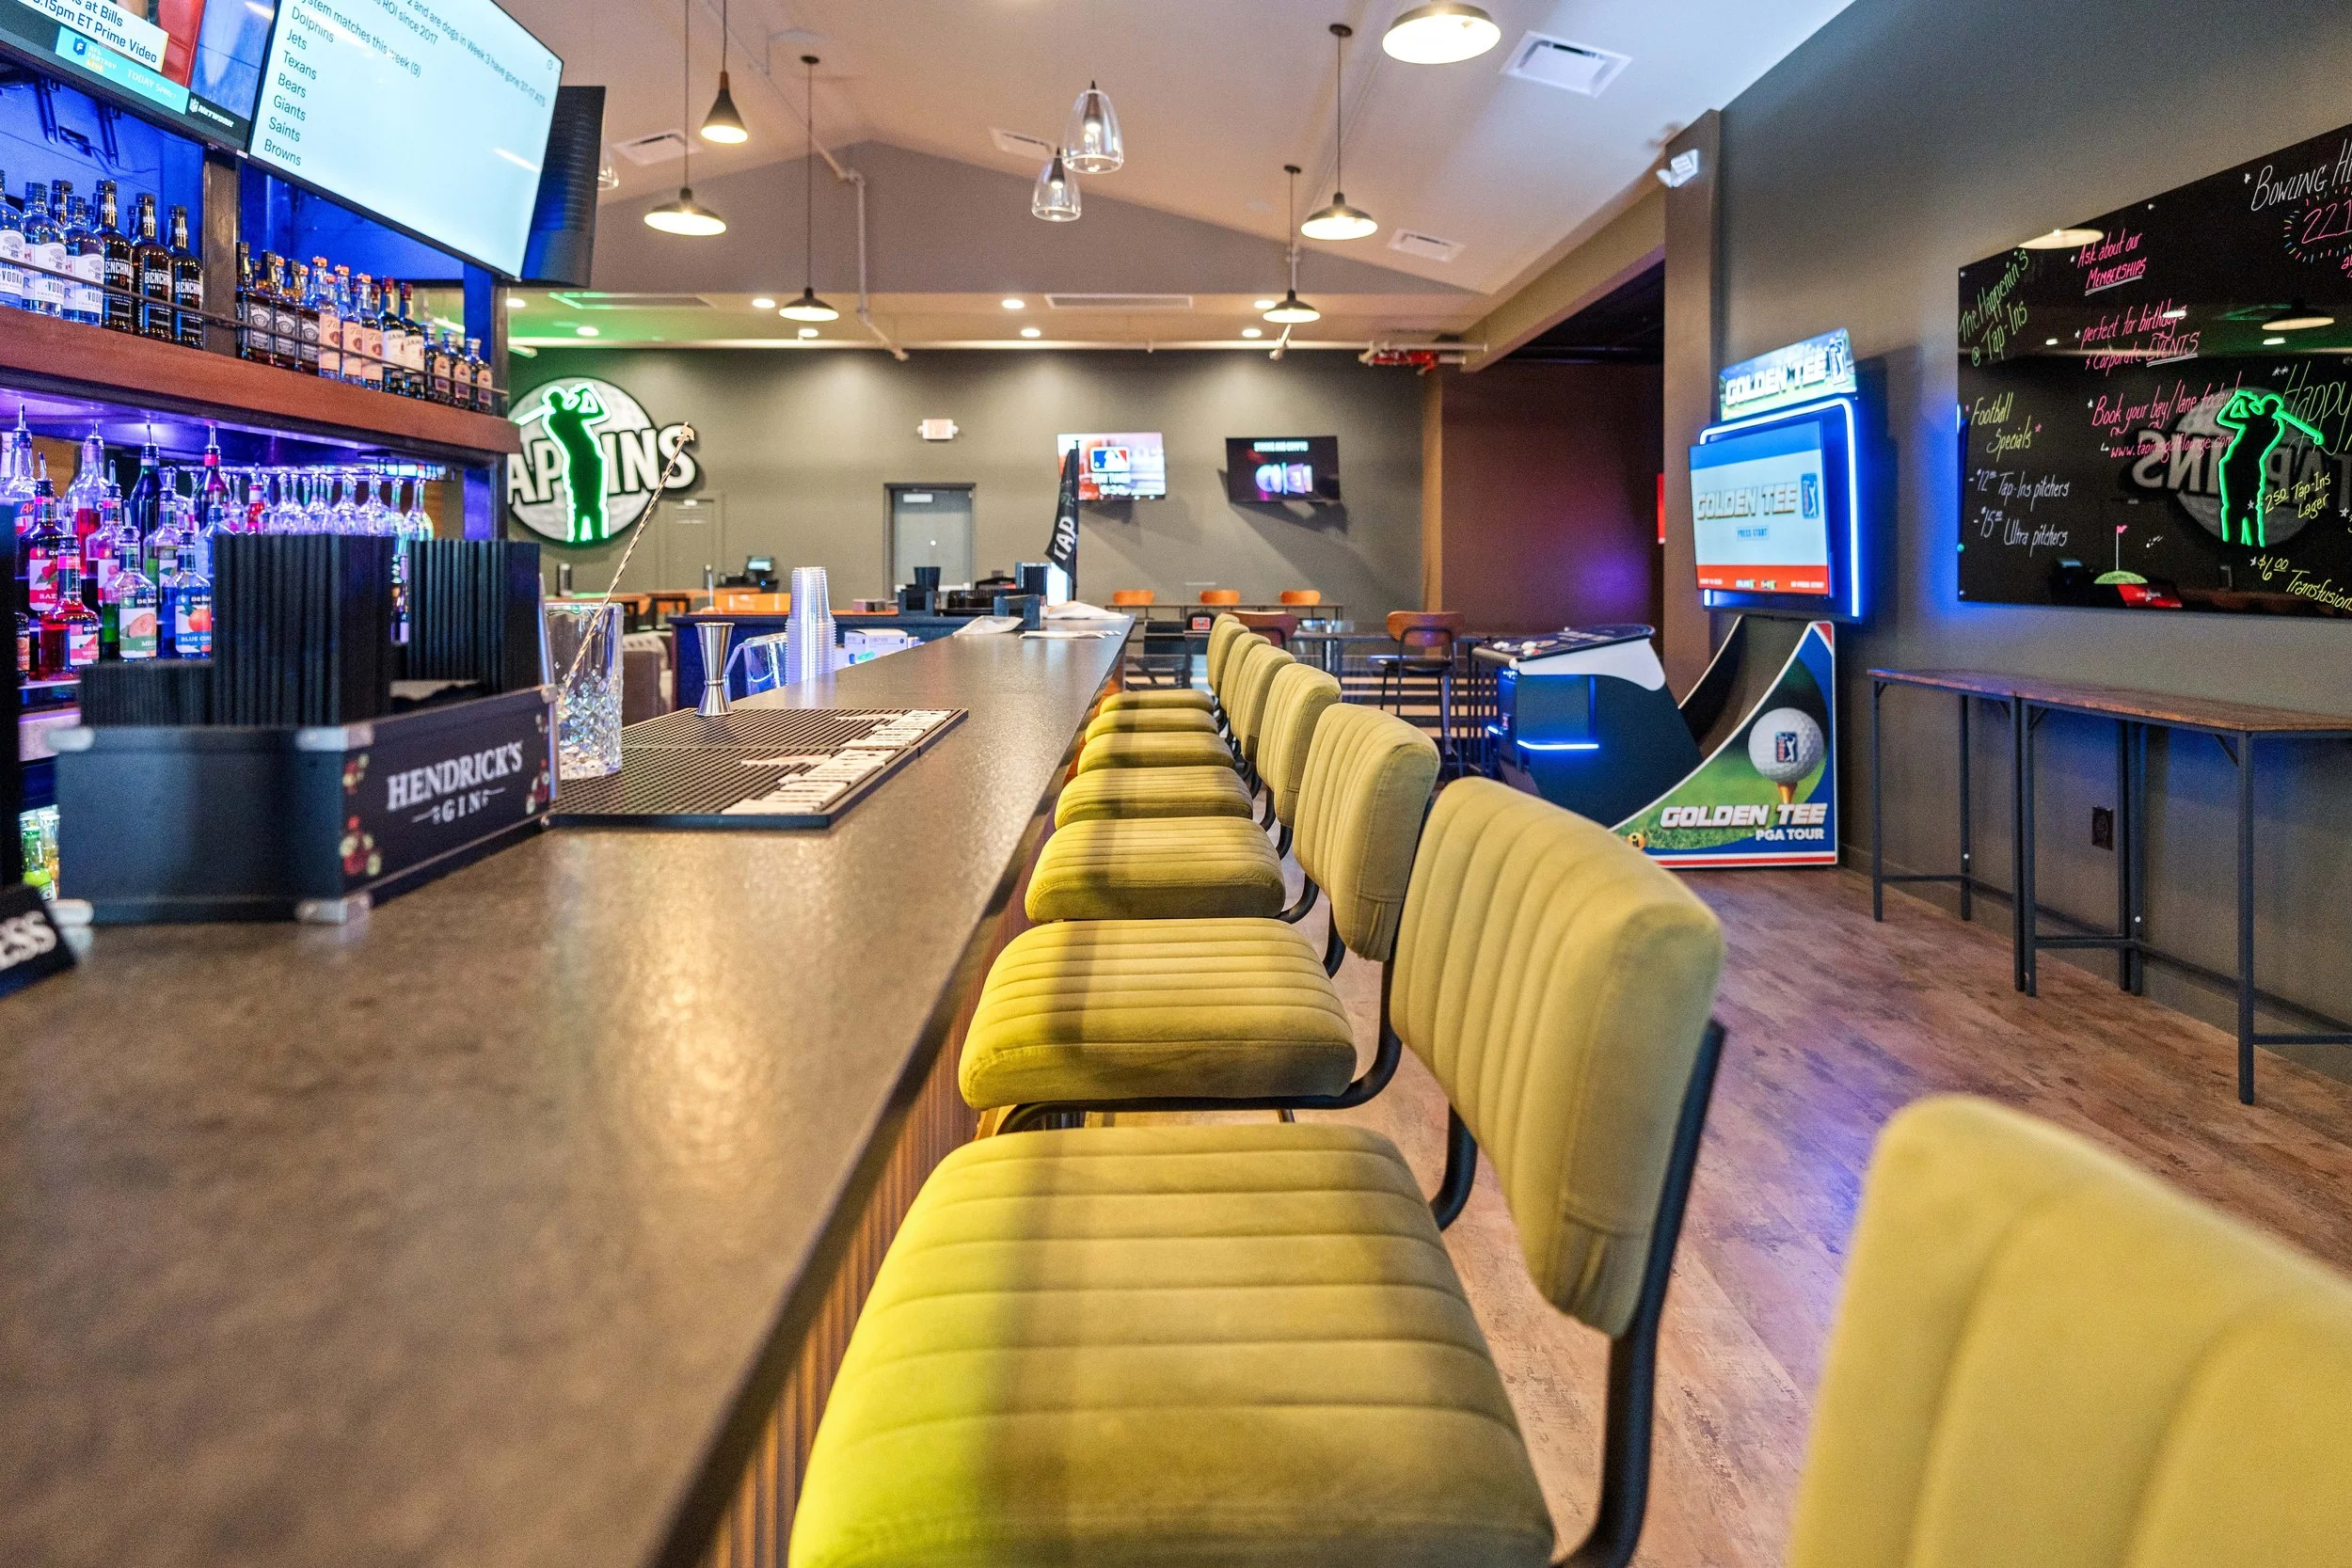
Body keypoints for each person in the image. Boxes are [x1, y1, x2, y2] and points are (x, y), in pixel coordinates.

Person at [2213, 388, 2323, 547]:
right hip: (2235, 464)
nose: (2263, 407)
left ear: (2272, 410)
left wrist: (2240, 400)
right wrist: (2241, 402)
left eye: (2267, 406)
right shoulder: (2264, 421)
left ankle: (2249, 545)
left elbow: (2228, 416)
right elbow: (2224, 418)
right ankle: (2235, 543)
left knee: (2246, 509)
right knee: (2234, 508)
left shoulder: (2269, 424)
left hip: (2244, 466)